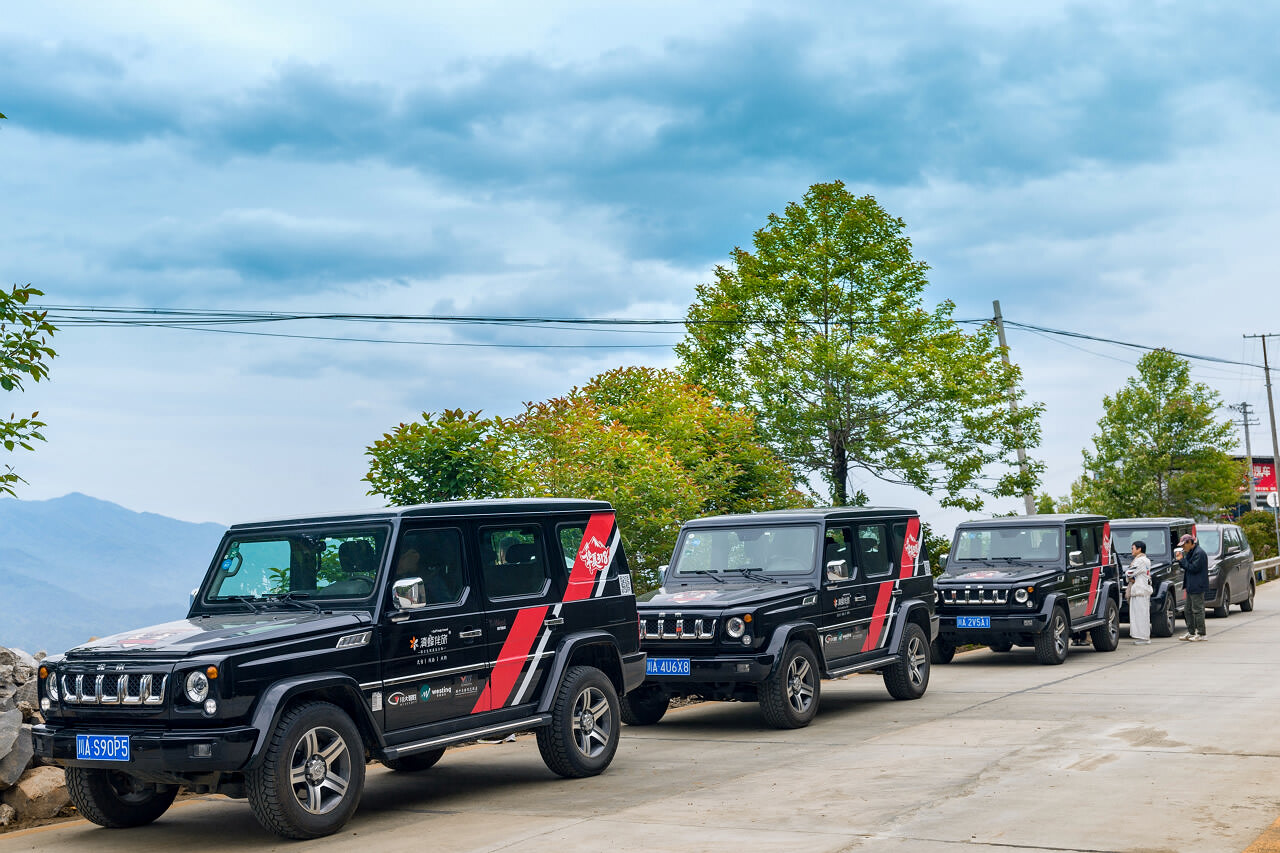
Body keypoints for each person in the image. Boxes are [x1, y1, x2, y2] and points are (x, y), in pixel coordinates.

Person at [1176, 532, 1209, 641]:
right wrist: (1181, 560)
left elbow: (1193, 568)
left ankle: (1201, 633)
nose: (1183, 547)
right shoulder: (1191, 552)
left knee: (1197, 610)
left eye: (1184, 545)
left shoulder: (1199, 553)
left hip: (1197, 585)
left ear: (1190, 542)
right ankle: (1191, 632)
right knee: (1187, 610)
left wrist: (1182, 560)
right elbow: (1187, 566)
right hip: (1191, 585)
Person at [1125, 541, 1154, 644]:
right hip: (1143, 589)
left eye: (1133, 548)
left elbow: (1129, 572)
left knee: (1139, 615)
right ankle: (1143, 637)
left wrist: (1129, 575)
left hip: (1139, 590)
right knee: (1142, 614)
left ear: (1139, 549)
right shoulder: (1146, 560)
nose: (1131, 550)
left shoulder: (1140, 561)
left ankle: (1143, 637)